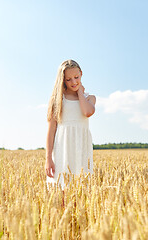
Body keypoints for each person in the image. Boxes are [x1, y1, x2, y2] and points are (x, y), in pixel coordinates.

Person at [45, 59, 96, 191]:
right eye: (68, 79)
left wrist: (80, 92)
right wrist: (48, 158)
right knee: (61, 188)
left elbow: (87, 112)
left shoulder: (89, 98)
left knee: (82, 188)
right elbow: (51, 131)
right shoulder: (57, 100)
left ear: (81, 74)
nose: (73, 82)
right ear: (62, 80)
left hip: (81, 147)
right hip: (63, 147)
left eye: (76, 77)